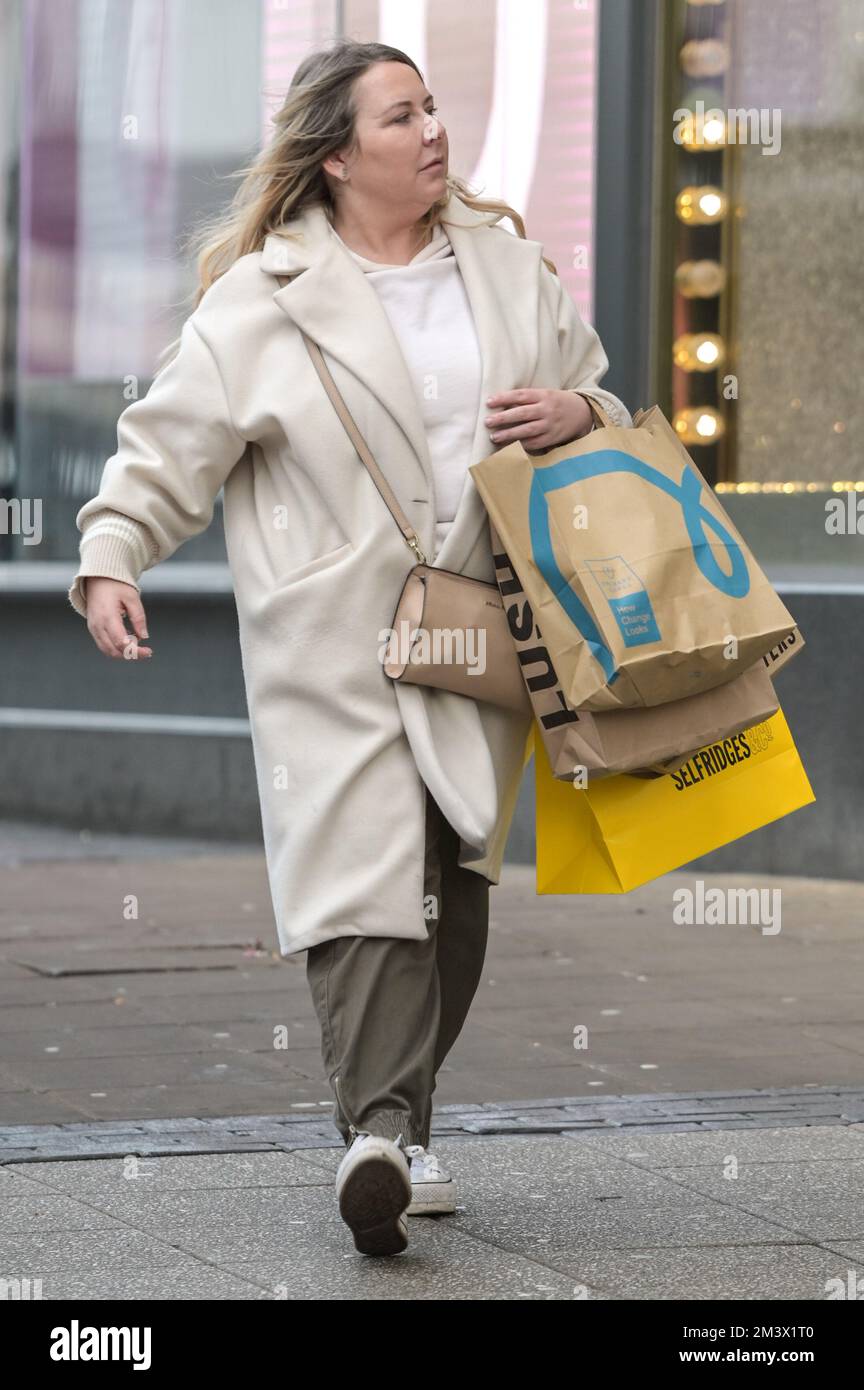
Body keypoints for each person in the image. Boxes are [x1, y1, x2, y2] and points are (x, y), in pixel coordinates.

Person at [67, 38, 632, 1258]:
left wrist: (579, 412)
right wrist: (112, 552)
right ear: (335, 156)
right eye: (400, 118)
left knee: (456, 884)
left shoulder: (507, 269)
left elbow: (603, 401)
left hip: (484, 624)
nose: (432, 131)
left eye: (433, 108)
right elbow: (169, 444)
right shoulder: (263, 298)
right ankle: (375, 1137)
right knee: (365, 881)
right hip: (335, 638)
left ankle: (406, 1127)